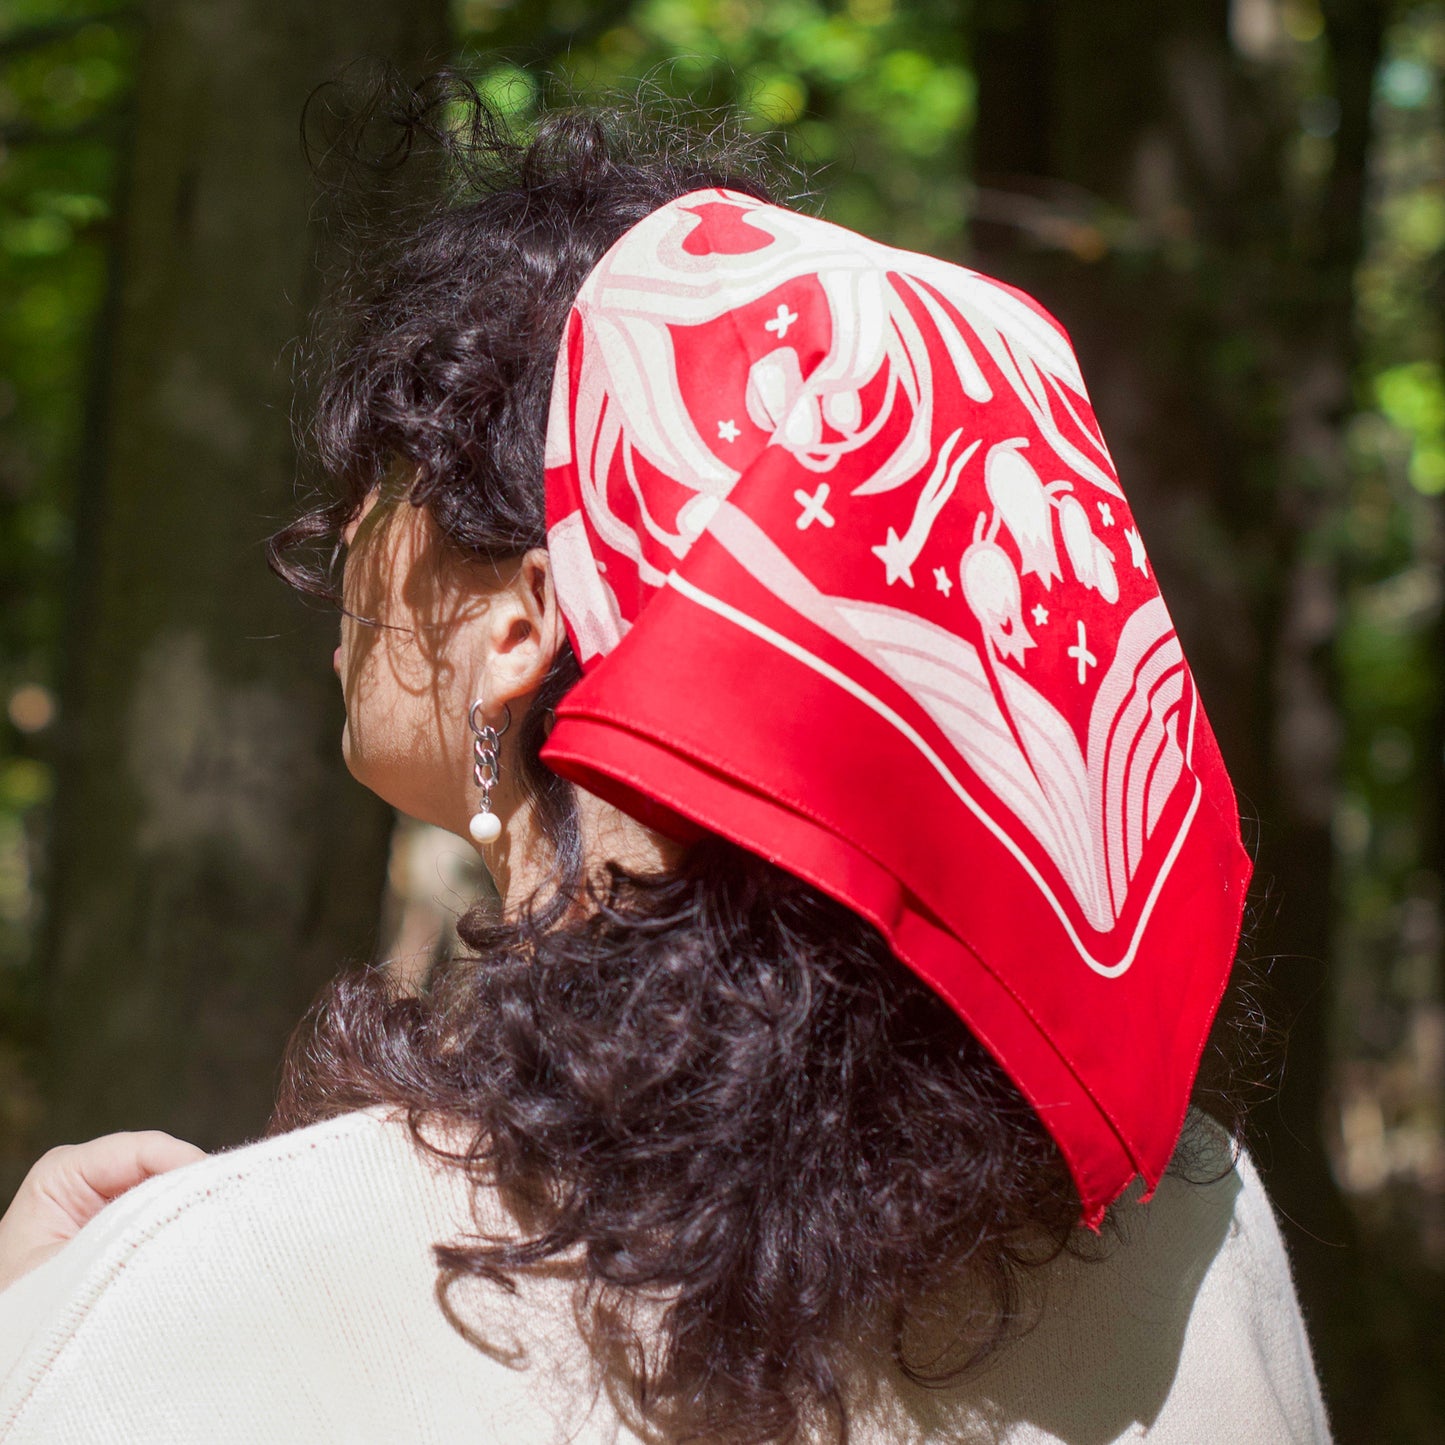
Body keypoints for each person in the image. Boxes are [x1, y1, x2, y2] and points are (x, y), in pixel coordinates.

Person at [0, 83, 1331, 1443]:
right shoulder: (1200, 1243)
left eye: (388, 475)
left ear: (521, 620)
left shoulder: (220, 1297)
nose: (343, 531)